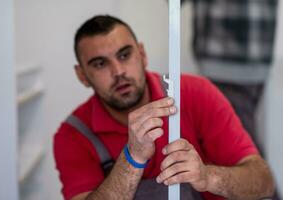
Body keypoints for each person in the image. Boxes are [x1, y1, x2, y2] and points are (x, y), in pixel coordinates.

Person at [53, 15, 275, 200]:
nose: (118, 71)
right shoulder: (73, 135)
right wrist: (132, 158)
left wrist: (207, 177)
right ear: (82, 75)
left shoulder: (195, 94)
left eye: (124, 55)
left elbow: (263, 182)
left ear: (142, 54)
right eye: (100, 63)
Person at [181, 0, 278, 153]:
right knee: (236, 142)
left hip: (222, 55)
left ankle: (261, 176)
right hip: (255, 49)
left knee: (239, 149)